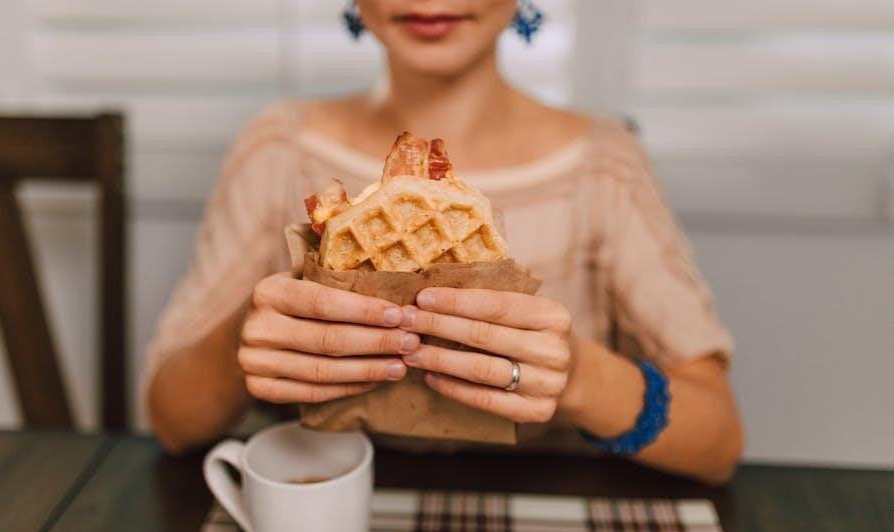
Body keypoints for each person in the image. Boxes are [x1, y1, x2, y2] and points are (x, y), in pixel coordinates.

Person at [144, 0, 743, 484]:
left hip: (545, 499)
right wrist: (242, 339)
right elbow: (170, 419)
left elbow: (718, 441)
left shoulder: (606, 166)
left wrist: (581, 378)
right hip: (330, 489)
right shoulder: (277, 149)